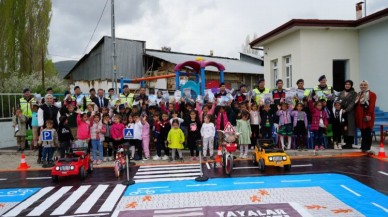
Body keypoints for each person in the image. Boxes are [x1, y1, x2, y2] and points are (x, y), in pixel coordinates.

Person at [355, 80, 376, 152]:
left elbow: (372, 106)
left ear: (367, 85)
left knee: (367, 131)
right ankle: (363, 146)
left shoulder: (372, 94)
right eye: (361, 85)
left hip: (367, 115)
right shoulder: (358, 94)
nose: (363, 86)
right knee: (363, 131)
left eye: (365, 85)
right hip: (359, 115)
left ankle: (367, 147)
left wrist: (369, 115)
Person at [337, 80, 357, 149]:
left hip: (350, 112)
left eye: (349, 84)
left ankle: (350, 143)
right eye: (346, 84)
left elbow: (353, 103)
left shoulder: (354, 93)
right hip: (342, 112)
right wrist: (340, 108)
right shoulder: (341, 92)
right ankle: (346, 143)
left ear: (351, 85)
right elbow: (338, 101)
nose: (347, 85)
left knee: (350, 128)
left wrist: (346, 110)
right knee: (344, 127)